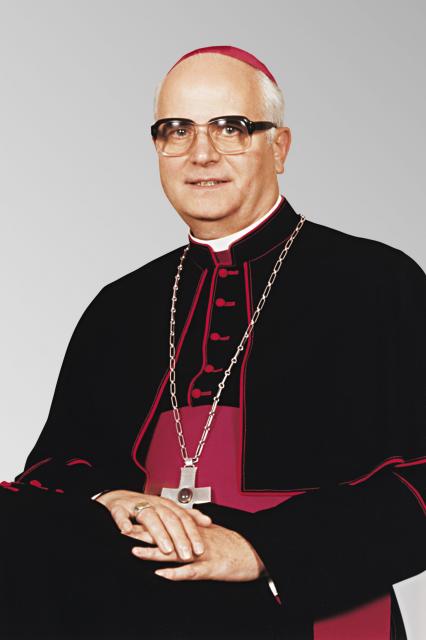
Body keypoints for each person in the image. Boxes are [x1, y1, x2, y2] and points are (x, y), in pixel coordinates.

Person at [1, 45, 425, 640]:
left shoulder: (378, 282)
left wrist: (262, 549)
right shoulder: (120, 306)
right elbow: (51, 470)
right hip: (140, 605)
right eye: (177, 130)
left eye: (231, 127)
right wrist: (111, 497)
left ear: (279, 147)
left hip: (308, 611)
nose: (201, 153)